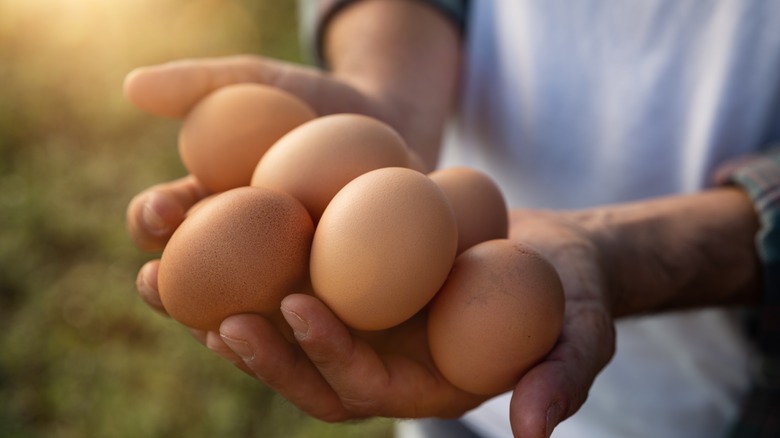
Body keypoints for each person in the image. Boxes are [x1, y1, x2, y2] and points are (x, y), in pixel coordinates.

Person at [124, 0, 780, 436]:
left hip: (717, 400)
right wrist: (391, 94)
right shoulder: (403, 209)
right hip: (440, 355)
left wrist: (624, 254)